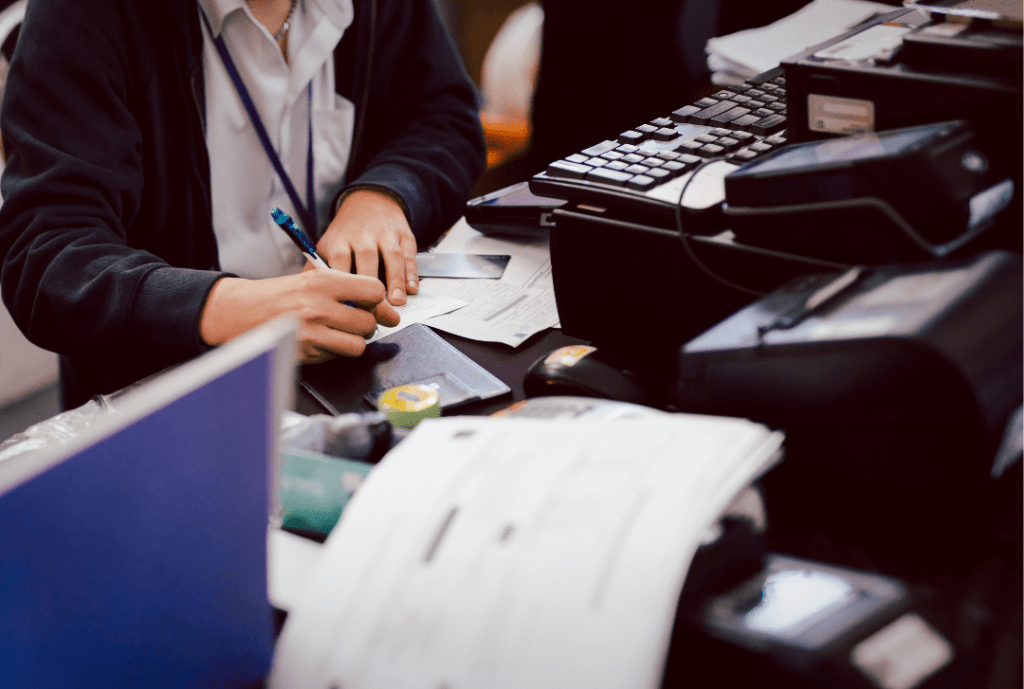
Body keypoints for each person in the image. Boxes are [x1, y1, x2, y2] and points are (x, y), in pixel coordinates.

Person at [0, 0, 486, 409]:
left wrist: (383, 195)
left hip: (352, 366)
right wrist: (228, 309)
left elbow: (443, 117)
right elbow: (47, 258)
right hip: (172, 400)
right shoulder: (87, 13)